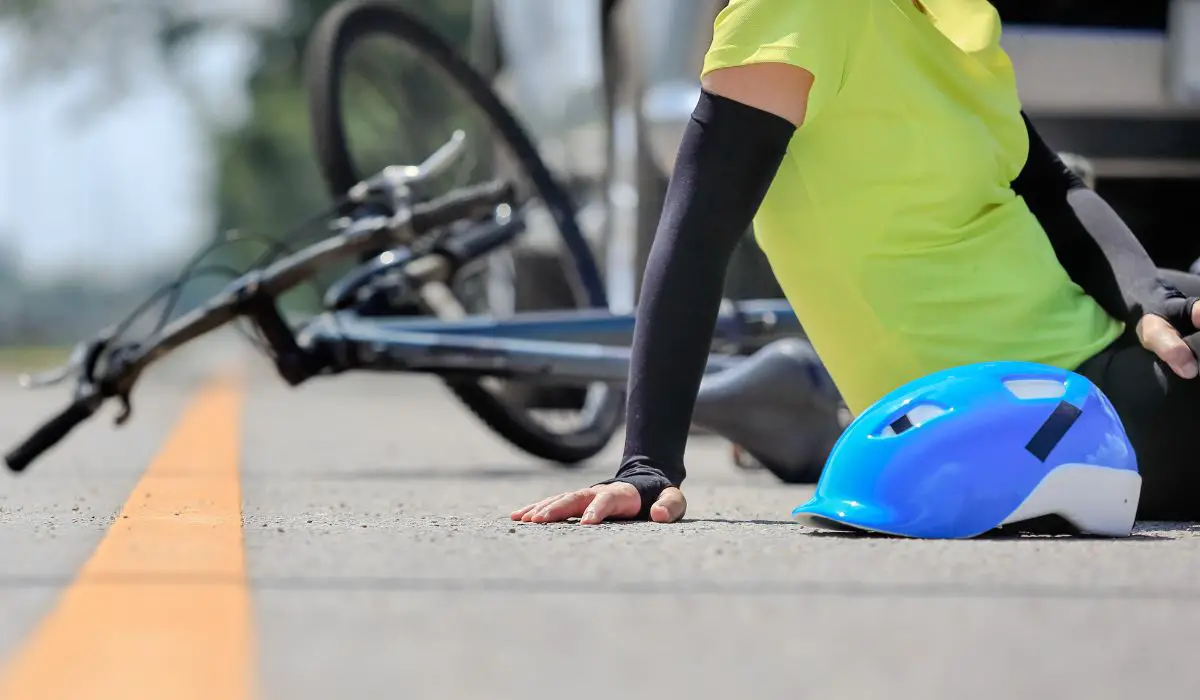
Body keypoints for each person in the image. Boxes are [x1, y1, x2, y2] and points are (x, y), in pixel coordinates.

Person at [512, 0, 1200, 526]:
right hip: (1035, 410)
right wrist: (648, 463)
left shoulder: (940, 15)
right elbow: (696, 234)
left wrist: (1149, 297)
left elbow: (1049, 183)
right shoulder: (802, 11)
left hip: (1097, 349)